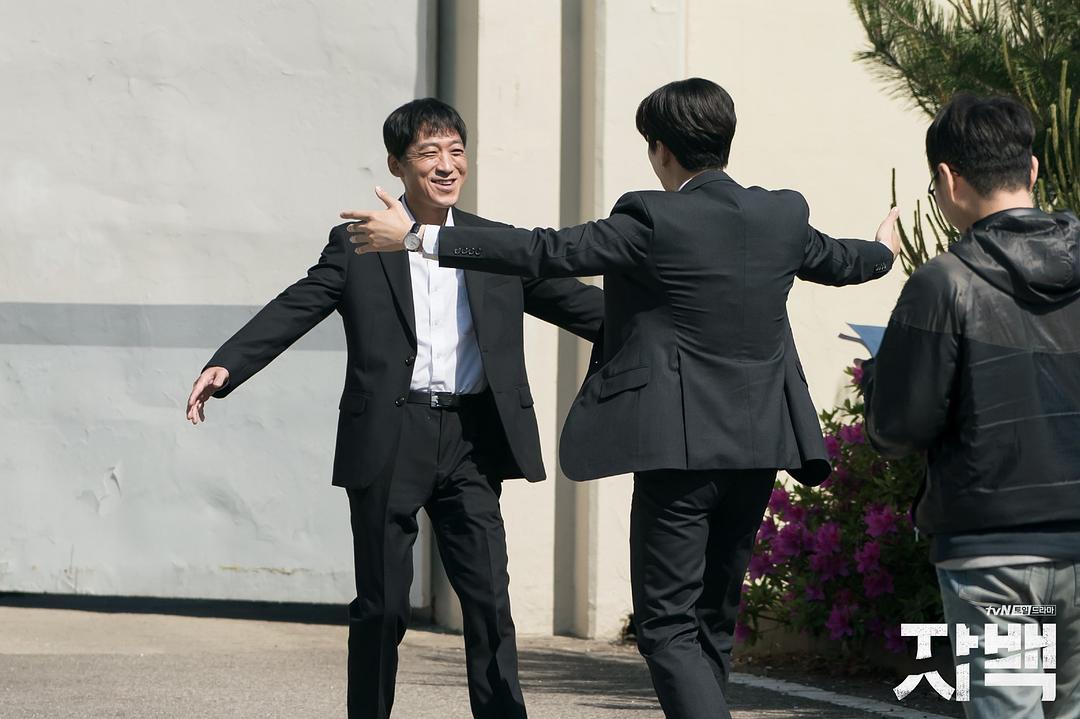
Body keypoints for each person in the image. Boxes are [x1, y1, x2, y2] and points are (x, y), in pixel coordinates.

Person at [343, 77, 900, 719]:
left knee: (666, 624)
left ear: (660, 149)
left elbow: (544, 250)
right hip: (761, 448)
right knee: (713, 618)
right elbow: (842, 260)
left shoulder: (651, 217)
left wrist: (421, 239)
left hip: (678, 451)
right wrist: (884, 250)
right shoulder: (782, 214)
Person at [185, 98, 604, 719]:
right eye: (429, 153)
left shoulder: (492, 244)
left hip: (471, 438)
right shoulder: (357, 242)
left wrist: (677, 332)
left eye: (456, 151)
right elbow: (299, 304)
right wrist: (229, 364)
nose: (446, 165)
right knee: (382, 606)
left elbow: (585, 309)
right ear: (396, 164)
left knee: (489, 601)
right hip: (390, 434)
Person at [861, 93, 1080, 717]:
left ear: (947, 179)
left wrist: (879, 374)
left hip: (995, 558)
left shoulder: (944, 282)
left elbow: (899, 427)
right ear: (1032, 168)